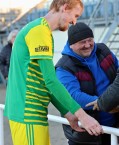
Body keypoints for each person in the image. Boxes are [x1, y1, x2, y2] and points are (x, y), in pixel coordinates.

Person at [4, 1, 104, 145]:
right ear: (64, 7)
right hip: (28, 113)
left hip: (33, 112)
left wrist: (68, 113)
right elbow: (51, 80)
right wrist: (82, 115)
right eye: (75, 15)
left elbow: (45, 82)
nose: (74, 22)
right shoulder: (39, 31)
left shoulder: (42, 31)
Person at [55, 22, 119, 145]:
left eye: (90, 40)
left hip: (113, 127)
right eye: (82, 42)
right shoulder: (64, 67)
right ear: (71, 45)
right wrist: (105, 103)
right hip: (85, 134)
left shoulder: (103, 50)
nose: (87, 45)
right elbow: (73, 96)